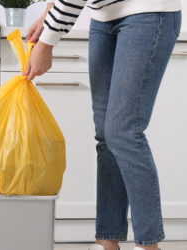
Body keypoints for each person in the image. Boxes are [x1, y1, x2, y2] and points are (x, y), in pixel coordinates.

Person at [22, 1, 182, 250]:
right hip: (102, 17)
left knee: (123, 133)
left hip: (147, 12)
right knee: (106, 136)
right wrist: (47, 16)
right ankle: (107, 240)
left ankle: (148, 245)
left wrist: (47, 42)